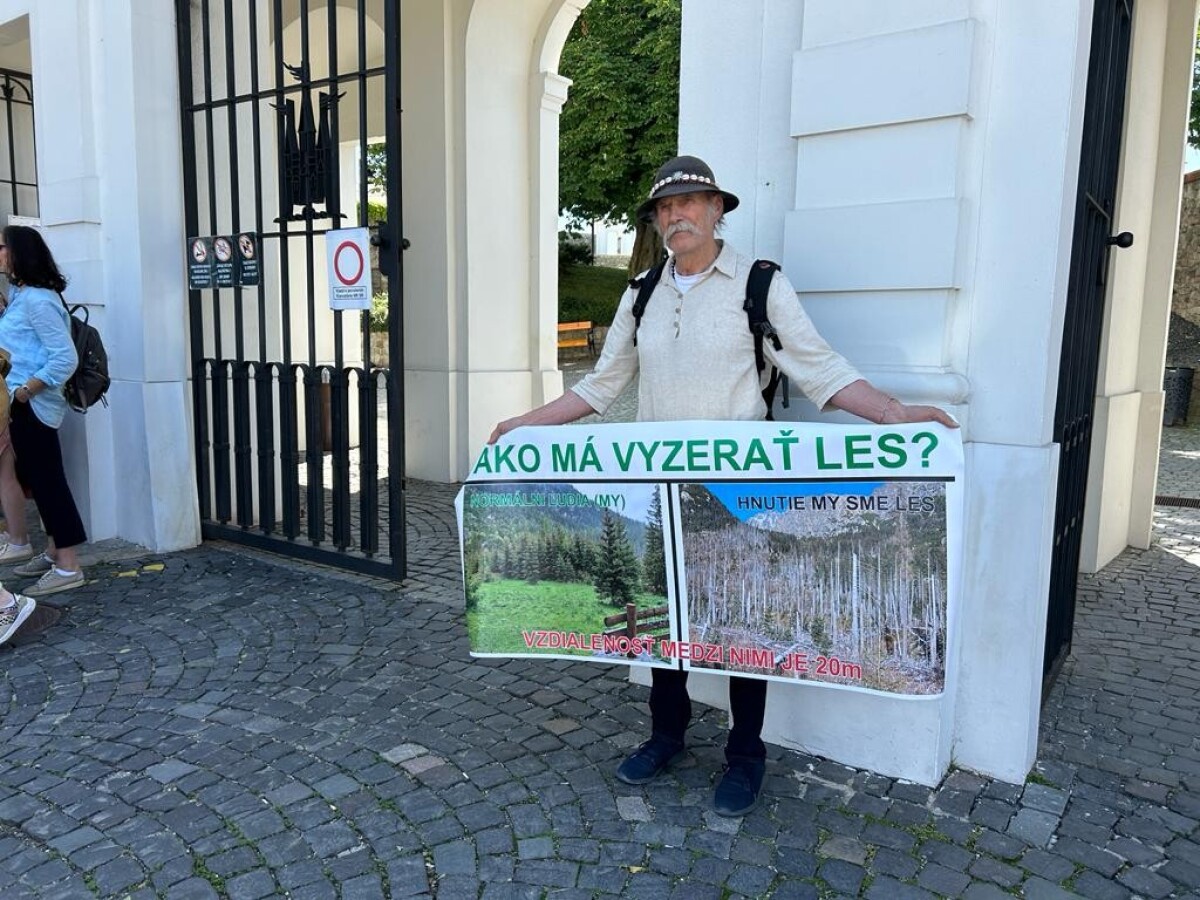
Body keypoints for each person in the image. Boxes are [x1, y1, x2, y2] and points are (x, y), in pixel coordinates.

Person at [490, 155, 957, 817]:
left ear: (717, 210)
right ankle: (666, 735)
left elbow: (820, 370)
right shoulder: (642, 293)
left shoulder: (759, 285)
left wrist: (894, 413)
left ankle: (745, 756)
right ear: (657, 221)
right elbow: (601, 385)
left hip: (738, 494)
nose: (676, 215)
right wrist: (524, 424)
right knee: (665, 622)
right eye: (664, 207)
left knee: (746, 624)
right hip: (659, 487)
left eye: (689, 202)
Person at [0, 225, 87, 597]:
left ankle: (69, 565)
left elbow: (65, 357)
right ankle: (55, 551)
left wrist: (26, 390)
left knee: (49, 483)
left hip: (32, 404)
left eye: (3, 247)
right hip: (21, 404)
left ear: (20, 253)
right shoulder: (22, 296)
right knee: (40, 478)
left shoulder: (38, 300)